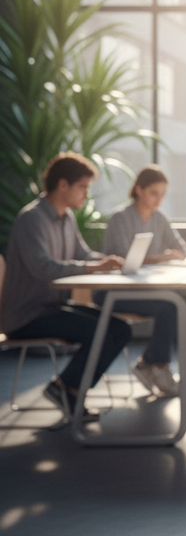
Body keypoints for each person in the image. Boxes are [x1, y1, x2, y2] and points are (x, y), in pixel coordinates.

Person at [0, 152, 130, 423]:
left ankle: (67, 388)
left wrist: (108, 262)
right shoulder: (31, 220)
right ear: (63, 185)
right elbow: (44, 268)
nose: (86, 195)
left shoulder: (67, 218)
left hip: (52, 307)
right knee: (102, 332)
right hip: (26, 315)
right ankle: (65, 389)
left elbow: (82, 255)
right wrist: (93, 267)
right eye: (82, 187)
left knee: (120, 329)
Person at [101, 164, 186, 397]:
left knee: (182, 301)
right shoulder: (120, 218)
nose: (159, 200)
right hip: (115, 292)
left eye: (162, 194)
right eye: (154, 193)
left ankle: (151, 363)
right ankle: (157, 365)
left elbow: (183, 250)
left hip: (149, 289)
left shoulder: (160, 218)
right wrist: (162, 258)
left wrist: (169, 256)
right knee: (171, 307)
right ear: (138, 190)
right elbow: (121, 259)